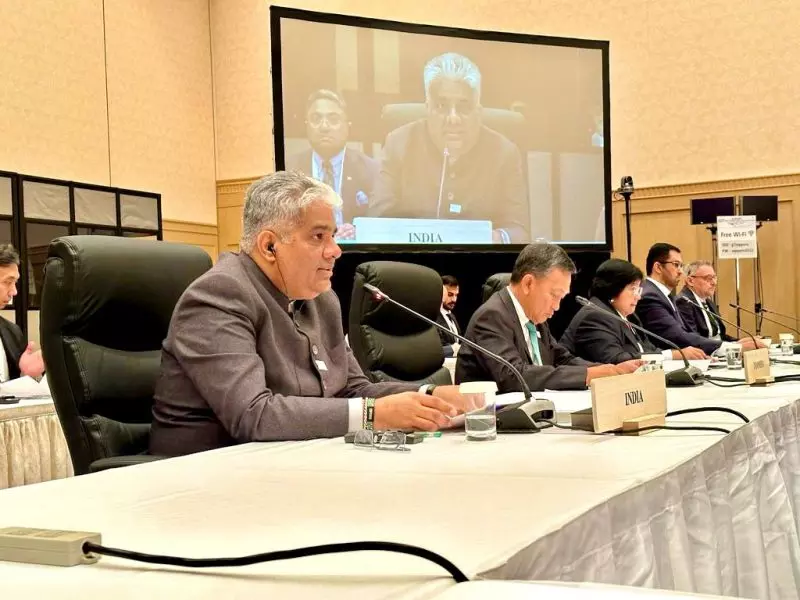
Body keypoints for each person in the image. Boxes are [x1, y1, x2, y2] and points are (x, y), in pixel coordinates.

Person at [150, 171, 464, 457]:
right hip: (202, 474)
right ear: (269, 246)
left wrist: (433, 396)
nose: (335, 250)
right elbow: (253, 415)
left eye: (334, 236)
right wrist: (373, 415)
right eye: (319, 237)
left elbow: (353, 390)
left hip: (290, 461)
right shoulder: (219, 295)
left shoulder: (321, 300)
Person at [370, 52, 530, 243]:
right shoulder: (398, 143)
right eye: (441, 106)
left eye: (464, 107)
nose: (453, 118)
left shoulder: (504, 153)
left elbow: (519, 231)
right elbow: (378, 219)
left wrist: (496, 238)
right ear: (428, 108)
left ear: (478, 112)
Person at [455, 243, 641, 392]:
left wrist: (611, 370)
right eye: (554, 295)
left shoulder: (534, 317)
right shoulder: (492, 316)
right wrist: (589, 375)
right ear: (528, 283)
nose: (557, 306)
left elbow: (562, 359)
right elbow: (514, 376)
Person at [560, 258, 707, 363]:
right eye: (633, 289)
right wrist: (672, 355)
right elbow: (616, 359)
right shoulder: (596, 315)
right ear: (613, 289)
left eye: (638, 289)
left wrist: (676, 356)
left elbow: (647, 349)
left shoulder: (628, 315)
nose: (638, 296)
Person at [285, 89, 379, 241]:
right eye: (316, 119)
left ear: (347, 126)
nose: (324, 127)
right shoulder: (290, 170)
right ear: (306, 126)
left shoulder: (370, 169)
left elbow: (380, 218)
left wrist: (359, 230)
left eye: (333, 119)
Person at [635, 243, 759, 355]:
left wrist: (735, 343)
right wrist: (732, 347)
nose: (680, 272)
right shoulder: (650, 297)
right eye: (676, 265)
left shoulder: (664, 295)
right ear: (658, 267)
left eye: (681, 266)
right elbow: (676, 336)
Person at [0, 244, 45, 381]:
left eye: (15, 283)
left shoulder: (13, 333)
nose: (14, 292)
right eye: (8, 282)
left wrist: (26, 373)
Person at [677, 261, 735, 342]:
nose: (714, 283)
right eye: (708, 278)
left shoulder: (708, 301)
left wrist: (738, 342)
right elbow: (694, 339)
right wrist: (734, 345)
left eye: (714, 277)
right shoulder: (683, 302)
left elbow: (719, 336)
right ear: (690, 281)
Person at [437, 275, 461, 358]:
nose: (454, 299)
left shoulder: (452, 316)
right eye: (450, 295)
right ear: (441, 293)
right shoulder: (433, 317)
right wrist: (453, 349)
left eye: (456, 295)